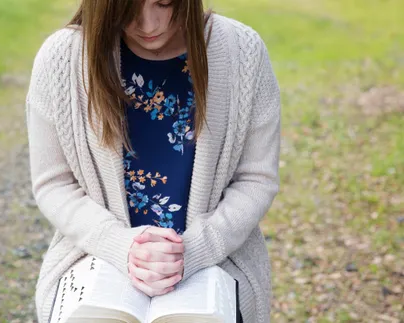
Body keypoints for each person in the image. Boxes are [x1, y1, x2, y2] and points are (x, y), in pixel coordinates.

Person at [25, 0, 280, 322]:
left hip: (215, 261)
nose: (149, 24)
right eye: (127, 7)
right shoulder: (62, 57)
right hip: (97, 259)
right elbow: (54, 184)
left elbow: (257, 179)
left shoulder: (243, 51)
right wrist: (121, 246)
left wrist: (195, 250)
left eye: (165, 2)